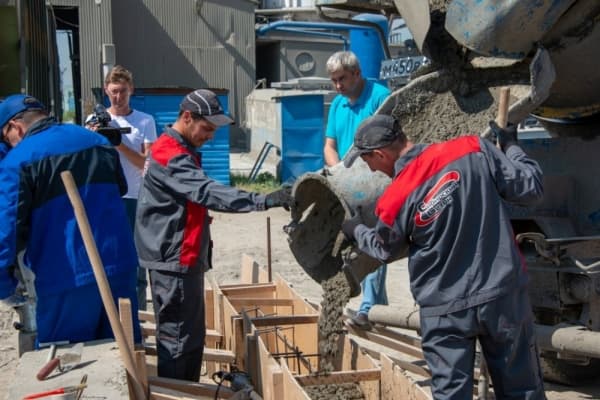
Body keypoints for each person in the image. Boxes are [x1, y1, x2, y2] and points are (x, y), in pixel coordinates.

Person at [342, 114, 546, 399]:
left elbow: (383, 248)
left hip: (445, 311)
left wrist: (356, 229)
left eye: (368, 162)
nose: (372, 170)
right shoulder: (473, 149)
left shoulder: (395, 198)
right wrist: (511, 145)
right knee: (522, 391)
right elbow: (531, 186)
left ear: (380, 154)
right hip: (502, 297)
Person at [135, 88, 294, 382]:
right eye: (207, 128)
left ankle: (186, 389)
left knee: (187, 339)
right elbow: (206, 191)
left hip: (177, 256)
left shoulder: (176, 150)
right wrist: (263, 199)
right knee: (179, 343)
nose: (210, 136)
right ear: (186, 117)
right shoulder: (172, 155)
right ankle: (181, 392)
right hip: (175, 261)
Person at [0, 94, 141, 346]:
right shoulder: (99, 141)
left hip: (67, 277)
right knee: (124, 359)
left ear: (15, 128)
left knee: (69, 369)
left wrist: (4, 286)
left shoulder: (18, 161)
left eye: (6, 138)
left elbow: (6, 230)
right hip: (120, 267)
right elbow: (119, 189)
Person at [324, 50, 390, 328]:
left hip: (376, 178)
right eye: (333, 81)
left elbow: (389, 140)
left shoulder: (380, 97)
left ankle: (368, 307)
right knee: (351, 241)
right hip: (347, 181)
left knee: (374, 239)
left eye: (342, 79)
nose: (338, 86)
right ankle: (376, 307)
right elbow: (329, 145)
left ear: (357, 74)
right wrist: (340, 173)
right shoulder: (338, 105)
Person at [86, 65, 157, 311]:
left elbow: (147, 165)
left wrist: (119, 143)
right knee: (105, 257)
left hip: (135, 197)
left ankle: (138, 316)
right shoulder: (94, 120)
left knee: (137, 260)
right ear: (106, 91)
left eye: (123, 92)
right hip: (105, 198)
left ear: (131, 91)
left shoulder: (145, 122)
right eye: (114, 92)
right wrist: (93, 137)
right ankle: (109, 314)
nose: (118, 97)